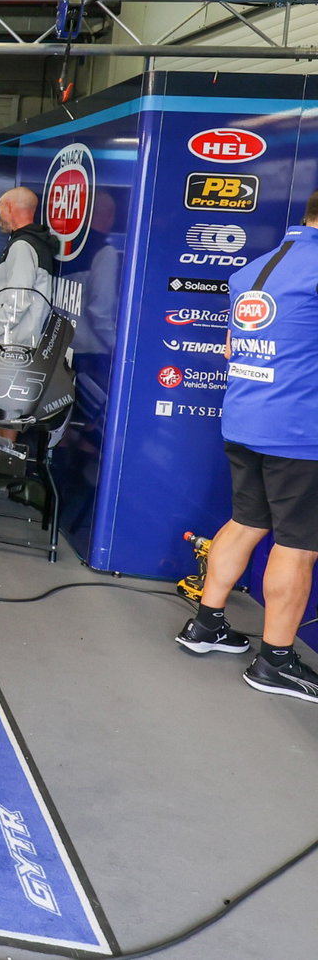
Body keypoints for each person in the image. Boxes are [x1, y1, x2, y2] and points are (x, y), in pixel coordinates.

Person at [175, 190, 318, 701]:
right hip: (299, 431)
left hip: (245, 418)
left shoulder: (255, 269)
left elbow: (239, 345)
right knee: (298, 545)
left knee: (248, 520)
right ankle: (276, 661)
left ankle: (207, 625)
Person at [0, 186, 58, 347]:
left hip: (10, 345)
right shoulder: (36, 243)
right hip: (21, 343)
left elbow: (17, 302)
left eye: (0, 210)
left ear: (9, 206)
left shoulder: (22, 246)